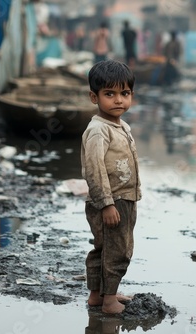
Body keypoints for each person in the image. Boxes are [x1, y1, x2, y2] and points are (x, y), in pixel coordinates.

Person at [81, 60, 141, 314]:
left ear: (131, 95)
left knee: (104, 248)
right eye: (110, 94)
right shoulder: (98, 131)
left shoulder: (121, 125)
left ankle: (98, 295)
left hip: (122, 198)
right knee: (118, 251)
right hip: (112, 201)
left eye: (124, 94)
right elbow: (94, 170)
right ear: (94, 97)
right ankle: (109, 301)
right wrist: (106, 204)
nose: (118, 100)